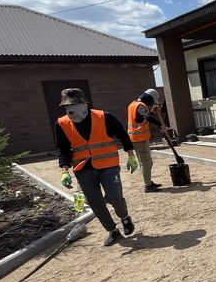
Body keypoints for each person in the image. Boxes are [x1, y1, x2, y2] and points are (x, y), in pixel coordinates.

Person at [54, 88, 139, 246]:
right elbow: (63, 149)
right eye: (65, 106)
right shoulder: (62, 124)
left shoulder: (104, 117)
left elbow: (123, 135)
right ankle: (113, 231)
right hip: (83, 169)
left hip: (108, 165)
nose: (69, 109)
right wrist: (64, 171)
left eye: (72, 105)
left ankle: (125, 217)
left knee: (114, 197)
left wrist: (131, 156)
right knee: (95, 202)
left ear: (84, 103)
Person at [127, 88, 171, 192]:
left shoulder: (132, 104)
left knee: (143, 162)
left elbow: (140, 118)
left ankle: (148, 182)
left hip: (136, 138)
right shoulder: (140, 106)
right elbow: (147, 117)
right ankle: (147, 185)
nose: (152, 103)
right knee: (147, 163)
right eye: (152, 101)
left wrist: (152, 111)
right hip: (139, 139)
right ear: (149, 98)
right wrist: (160, 125)